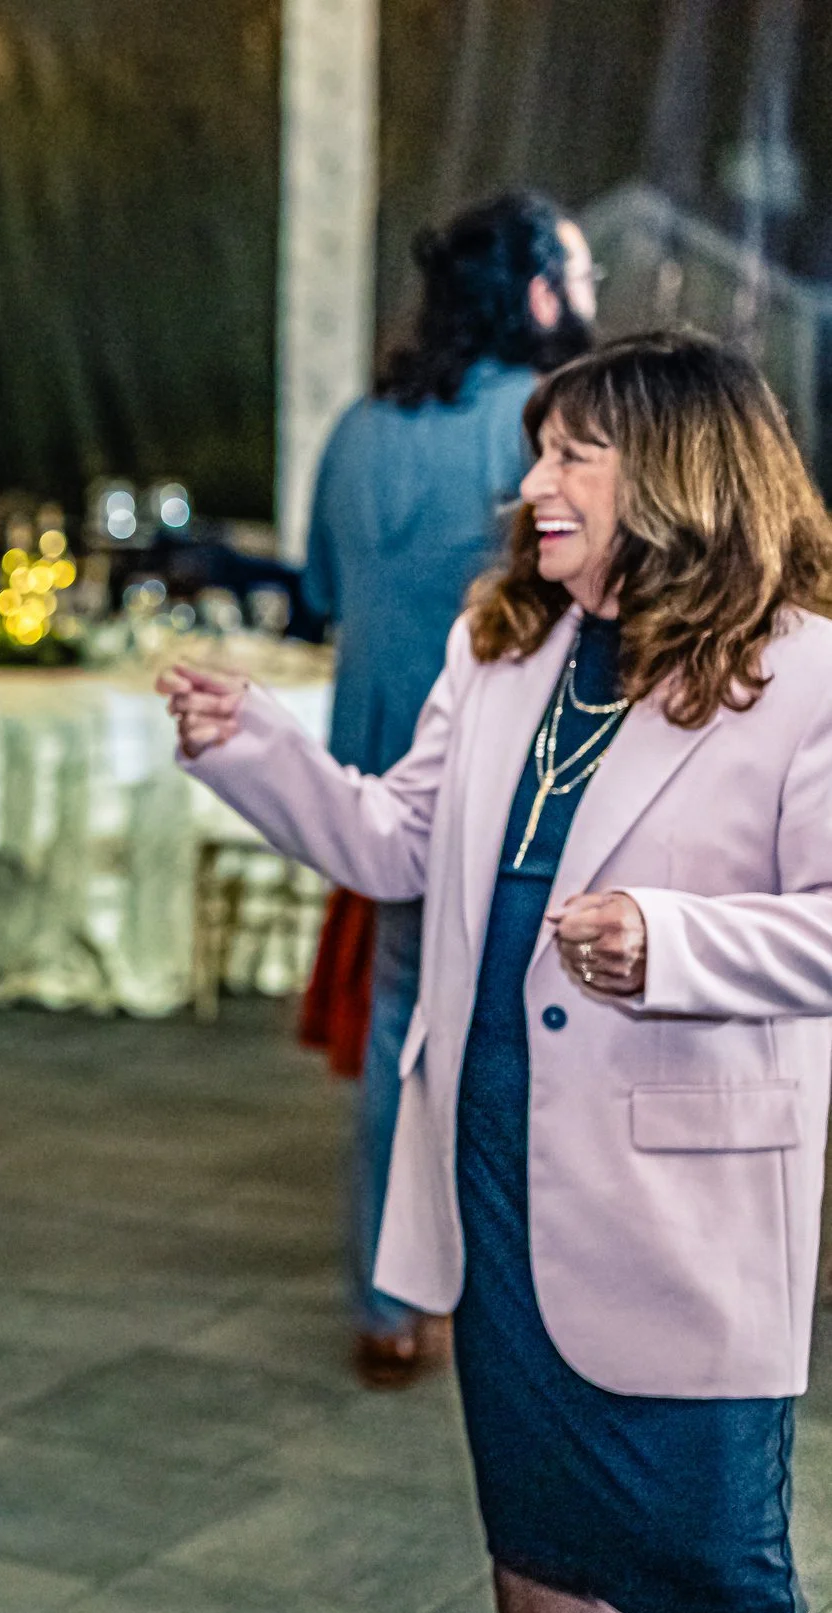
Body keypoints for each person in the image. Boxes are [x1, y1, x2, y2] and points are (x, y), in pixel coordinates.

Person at [164, 330, 832, 1613]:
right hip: (497, 1181)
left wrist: (671, 940)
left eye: (574, 451)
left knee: (726, 1585)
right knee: (537, 1564)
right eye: (541, 450)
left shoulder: (805, 671)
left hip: (676, 1210)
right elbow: (396, 841)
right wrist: (257, 749)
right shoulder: (503, 644)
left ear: (678, 473)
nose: (536, 480)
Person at [298, 190, 599, 1388]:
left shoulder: (359, 424)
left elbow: (321, 590)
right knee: (533, 1031)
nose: (587, 293)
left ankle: (390, 1300)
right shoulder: (539, 428)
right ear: (534, 294)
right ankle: (522, 1296)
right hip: (508, 768)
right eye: (577, 272)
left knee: (402, 1027)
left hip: (371, 768)